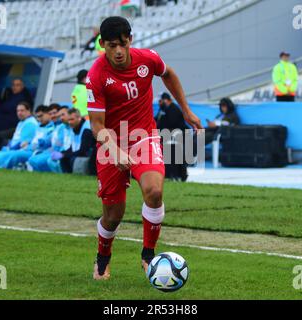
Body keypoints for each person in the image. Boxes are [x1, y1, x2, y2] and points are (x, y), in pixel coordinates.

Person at [87, 16, 202, 280]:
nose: (118, 51)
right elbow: (96, 124)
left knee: (154, 191)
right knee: (113, 216)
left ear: (131, 40)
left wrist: (186, 111)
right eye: (112, 45)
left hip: (143, 136)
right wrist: (114, 149)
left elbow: (168, 74)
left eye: (123, 44)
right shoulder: (96, 76)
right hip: (110, 143)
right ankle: (103, 256)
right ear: (102, 43)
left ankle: (148, 256)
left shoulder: (148, 59)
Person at [0, 105, 54, 169]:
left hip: (37, 151)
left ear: (29, 111)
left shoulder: (32, 124)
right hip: (28, 149)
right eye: (18, 111)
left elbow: (43, 143)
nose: (39, 119)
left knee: (12, 155)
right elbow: (32, 141)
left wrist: (28, 145)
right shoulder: (37, 126)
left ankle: (1, 167)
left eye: (22, 110)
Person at [27, 106, 73, 172]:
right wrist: (40, 143)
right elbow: (48, 140)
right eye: (50, 114)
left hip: (60, 152)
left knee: (37, 160)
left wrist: (45, 149)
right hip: (49, 150)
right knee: (33, 159)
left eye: (54, 113)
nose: (53, 116)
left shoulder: (64, 127)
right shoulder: (57, 127)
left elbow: (58, 144)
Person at [59, 108, 94, 174]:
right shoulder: (75, 128)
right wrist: (62, 154)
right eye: (69, 120)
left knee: (71, 159)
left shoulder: (87, 129)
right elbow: (73, 148)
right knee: (63, 158)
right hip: (80, 153)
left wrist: (65, 155)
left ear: (79, 118)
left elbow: (84, 150)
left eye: (72, 119)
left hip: (89, 156)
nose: (70, 122)